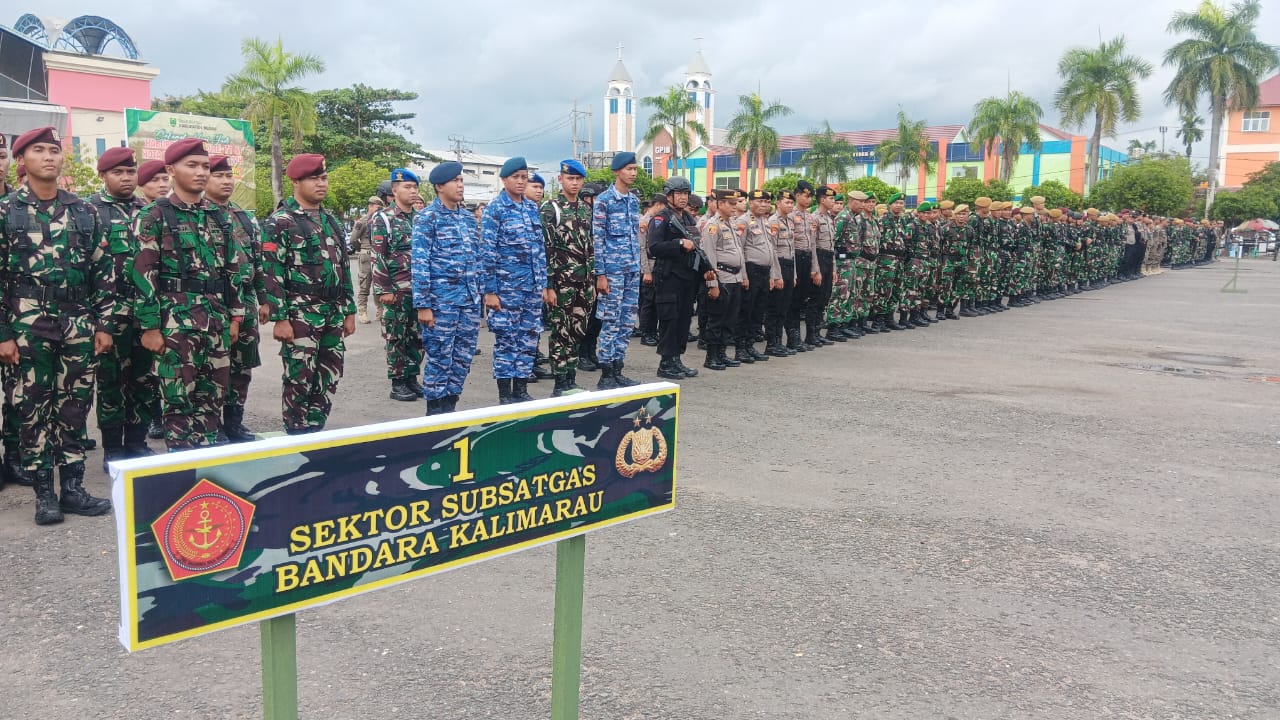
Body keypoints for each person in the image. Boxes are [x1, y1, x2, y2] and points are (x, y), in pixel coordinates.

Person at [0, 126, 114, 523]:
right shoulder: (5, 210)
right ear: (22, 162)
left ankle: (72, 489)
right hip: (27, 321)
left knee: (75, 405)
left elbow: (103, 271)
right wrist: (4, 334)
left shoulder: (84, 211)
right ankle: (44, 494)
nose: (49, 157)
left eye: (54, 150)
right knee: (31, 408)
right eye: (39, 151)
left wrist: (104, 324)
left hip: (78, 322)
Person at [132, 138, 245, 451]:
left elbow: (232, 269)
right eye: (191, 165)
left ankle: (207, 465)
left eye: (205, 167)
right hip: (175, 324)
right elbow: (144, 275)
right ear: (170, 169)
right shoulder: (154, 215)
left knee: (212, 399)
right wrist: (150, 327)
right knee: (178, 402)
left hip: (216, 321)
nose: (201, 173)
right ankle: (183, 471)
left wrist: (236, 316)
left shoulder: (219, 216)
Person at [261, 154, 356, 434]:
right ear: (295, 182)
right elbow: (271, 272)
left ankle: (315, 428)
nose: (321, 184)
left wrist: (349, 310)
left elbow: (342, 267)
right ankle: (296, 432)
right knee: (299, 376)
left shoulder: (329, 220)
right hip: (300, 312)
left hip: (332, 310)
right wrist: (280, 318)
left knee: (329, 374)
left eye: (323, 178)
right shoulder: (280, 222)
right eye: (313, 178)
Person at [90, 146, 158, 465]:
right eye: (118, 172)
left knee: (144, 379)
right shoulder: (89, 210)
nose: (126, 177)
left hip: (144, 311)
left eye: (131, 171)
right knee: (111, 381)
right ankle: (113, 448)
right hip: (109, 313)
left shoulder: (149, 210)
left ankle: (136, 441)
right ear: (103, 175)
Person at [204, 154, 264, 442]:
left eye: (229, 176)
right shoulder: (199, 214)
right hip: (216, 303)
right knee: (215, 367)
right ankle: (212, 425)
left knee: (242, 366)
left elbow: (258, 260)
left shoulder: (244, 216)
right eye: (219, 175)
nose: (226, 181)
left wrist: (263, 299)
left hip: (247, 302)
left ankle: (234, 422)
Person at [480, 157, 550, 404]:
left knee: (528, 339)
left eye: (524, 177)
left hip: (530, 288)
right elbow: (487, 253)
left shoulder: (531, 208)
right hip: (506, 289)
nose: (521, 182)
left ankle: (521, 389)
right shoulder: (495, 210)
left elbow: (539, 249)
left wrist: (542, 284)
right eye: (516, 177)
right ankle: (505, 394)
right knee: (507, 341)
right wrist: (489, 291)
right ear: (504, 179)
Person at [413, 162, 481, 415]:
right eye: (455, 181)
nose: (460, 186)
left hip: (469, 302)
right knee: (440, 358)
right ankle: (435, 415)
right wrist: (423, 305)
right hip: (441, 303)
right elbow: (420, 263)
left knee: (462, 359)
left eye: (462, 181)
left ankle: (450, 408)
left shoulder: (466, 217)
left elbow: (475, 259)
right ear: (439, 186)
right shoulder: (427, 218)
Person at [542, 159, 595, 396]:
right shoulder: (550, 208)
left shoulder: (585, 209)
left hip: (584, 283)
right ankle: (559, 381)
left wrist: (593, 280)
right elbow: (546, 248)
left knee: (577, 330)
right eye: (570, 179)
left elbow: (590, 246)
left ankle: (571, 378)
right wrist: (549, 285)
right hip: (561, 283)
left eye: (578, 179)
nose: (574, 183)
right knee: (560, 331)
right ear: (560, 179)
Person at [372, 169, 424, 402]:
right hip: (396, 289)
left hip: (420, 289)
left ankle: (412, 378)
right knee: (396, 337)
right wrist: (384, 289)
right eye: (407, 187)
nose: (412, 191)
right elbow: (378, 255)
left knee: (417, 336)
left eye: (415, 187)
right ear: (395, 191)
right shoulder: (383, 218)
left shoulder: (420, 218)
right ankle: (398, 382)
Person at [591, 152, 643, 389]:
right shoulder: (604, 200)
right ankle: (606, 373)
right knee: (610, 320)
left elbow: (634, 237)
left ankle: (618, 367)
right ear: (617, 171)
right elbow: (598, 239)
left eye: (635, 169)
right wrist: (600, 274)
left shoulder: (633, 201)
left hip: (631, 270)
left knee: (627, 321)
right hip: (612, 272)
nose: (633, 173)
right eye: (629, 169)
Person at [646, 175, 703, 379]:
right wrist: (678, 244)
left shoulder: (688, 218)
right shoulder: (661, 218)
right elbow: (653, 248)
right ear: (669, 195)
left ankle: (677, 359)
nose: (683, 198)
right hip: (668, 277)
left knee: (683, 320)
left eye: (686, 193)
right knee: (670, 320)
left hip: (687, 276)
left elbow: (697, 244)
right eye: (679, 193)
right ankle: (666, 363)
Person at [699, 189, 746, 370]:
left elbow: (738, 252)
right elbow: (709, 256)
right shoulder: (713, 225)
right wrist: (713, 284)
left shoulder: (732, 224)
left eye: (736, 204)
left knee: (730, 319)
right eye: (731, 204)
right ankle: (711, 356)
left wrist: (742, 277)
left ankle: (722, 354)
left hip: (734, 277)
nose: (735, 207)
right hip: (722, 278)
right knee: (717, 319)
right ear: (720, 204)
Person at [734, 189, 783, 361]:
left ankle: (750, 346)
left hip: (764, 272)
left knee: (757, 311)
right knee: (746, 311)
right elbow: (738, 250)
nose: (764, 205)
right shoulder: (743, 221)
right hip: (751, 270)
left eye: (767, 202)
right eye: (760, 201)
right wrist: (744, 276)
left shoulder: (766, 222)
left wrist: (773, 275)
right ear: (751, 202)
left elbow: (771, 249)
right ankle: (740, 348)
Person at [788, 181, 823, 349]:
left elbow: (813, 245)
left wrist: (815, 268)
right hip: (795, 258)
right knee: (793, 301)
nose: (808, 199)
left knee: (802, 299)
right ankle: (792, 338)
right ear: (797, 195)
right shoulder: (789, 216)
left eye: (810, 197)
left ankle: (799, 338)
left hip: (807, 259)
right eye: (805, 196)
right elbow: (789, 247)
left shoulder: (810, 217)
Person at [765, 190, 799, 356]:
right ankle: (771, 343)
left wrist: (793, 275)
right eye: (787, 202)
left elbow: (791, 248)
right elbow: (772, 251)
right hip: (778, 265)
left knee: (784, 307)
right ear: (778, 203)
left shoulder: (790, 221)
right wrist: (776, 275)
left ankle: (779, 341)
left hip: (789, 265)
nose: (790, 205)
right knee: (774, 307)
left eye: (792, 203)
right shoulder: (773, 222)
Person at [347, 195, 385, 324]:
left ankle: (380, 310)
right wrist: (362, 249)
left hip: (378, 256)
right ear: (370, 206)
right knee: (365, 284)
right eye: (376, 206)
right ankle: (362, 311)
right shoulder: (362, 221)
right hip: (367, 255)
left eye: (380, 207)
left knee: (378, 285)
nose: (378, 209)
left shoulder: (381, 220)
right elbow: (353, 239)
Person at [637, 193, 667, 347]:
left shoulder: (657, 222)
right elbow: (641, 248)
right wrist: (646, 271)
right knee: (648, 302)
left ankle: (653, 332)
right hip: (649, 265)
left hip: (658, 266)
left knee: (656, 302)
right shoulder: (644, 222)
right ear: (658, 205)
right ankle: (646, 333)